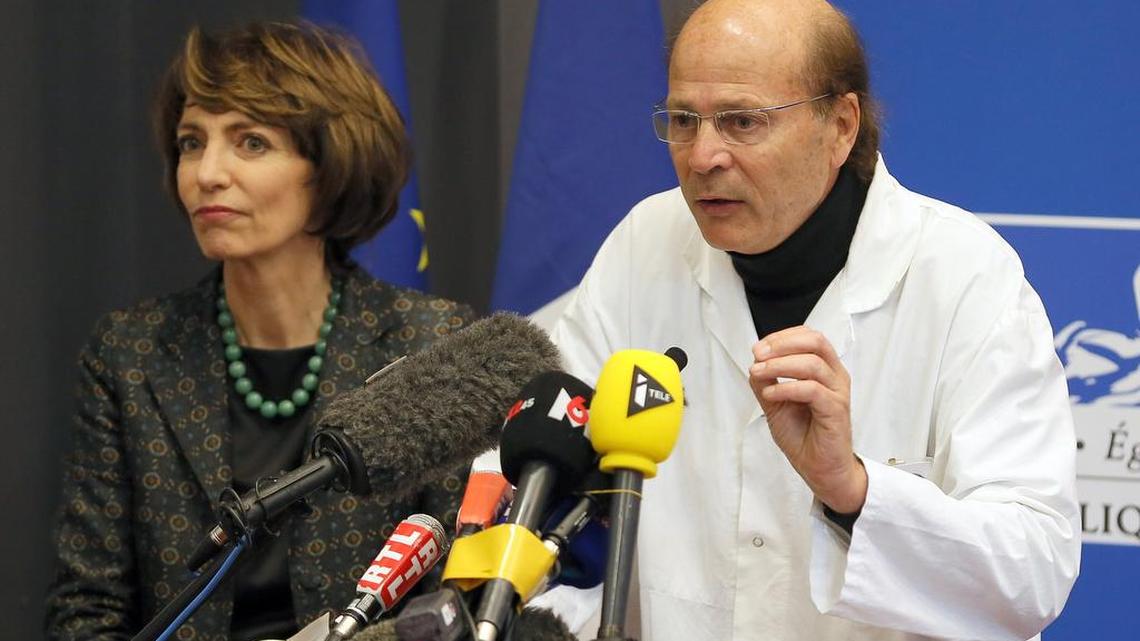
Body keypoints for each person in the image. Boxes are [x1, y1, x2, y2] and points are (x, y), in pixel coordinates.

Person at [546, 0, 1081, 639]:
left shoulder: (964, 275)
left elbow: (1033, 572)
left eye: (742, 121)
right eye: (685, 120)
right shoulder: (644, 245)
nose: (702, 156)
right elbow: (542, 472)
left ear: (841, 126)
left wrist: (851, 489)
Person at [45, 22, 475, 641]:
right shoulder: (130, 354)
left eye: (250, 142)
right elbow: (86, 610)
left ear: (329, 166)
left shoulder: (430, 344)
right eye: (192, 143)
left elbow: (455, 600)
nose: (207, 173)